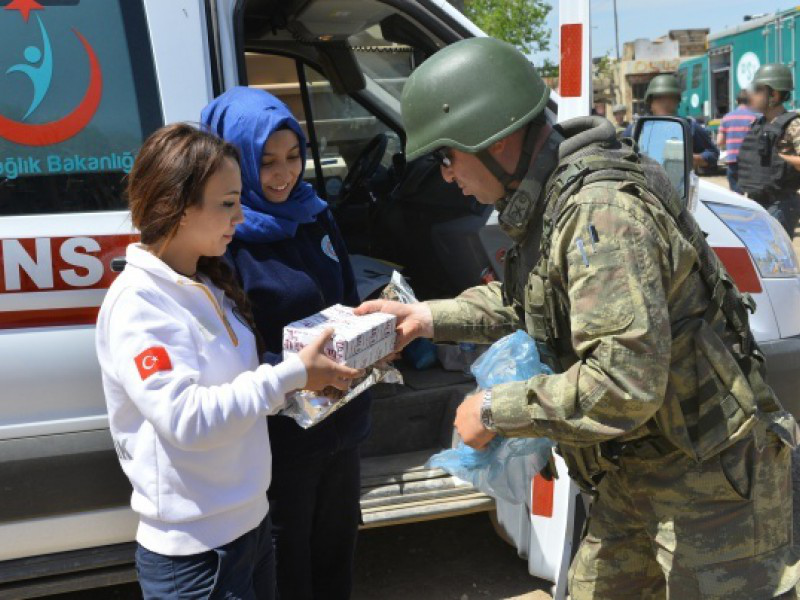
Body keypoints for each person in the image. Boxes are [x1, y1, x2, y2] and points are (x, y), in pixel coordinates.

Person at [357, 37, 800, 599]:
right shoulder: (553, 200)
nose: (446, 175)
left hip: (708, 482)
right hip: (634, 473)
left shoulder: (602, 216)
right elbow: (528, 302)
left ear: (493, 138)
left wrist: (495, 410)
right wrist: (423, 317)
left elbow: (622, 384)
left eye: (446, 155)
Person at [95, 123, 362, 599]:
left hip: (248, 529)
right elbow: (187, 420)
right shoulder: (140, 304)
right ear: (173, 207)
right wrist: (294, 372)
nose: (240, 217)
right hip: (197, 557)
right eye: (226, 203)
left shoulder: (208, 282)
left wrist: (314, 377)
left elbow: (244, 391)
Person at [201, 88, 370, 600]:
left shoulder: (314, 212)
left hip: (341, 422)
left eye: (293, 157)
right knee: (287, 567)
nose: (283, 175)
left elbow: (345, 295)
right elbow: (225, 353)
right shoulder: (224, 238)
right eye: (266, 162)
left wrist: (371, 339)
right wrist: (299, 369)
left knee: (336, 555)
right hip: (278, 441)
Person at [737, 63, 800, 235]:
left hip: (781, 203)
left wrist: (781, 158)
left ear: (774, 94)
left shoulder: (794, 125)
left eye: (758, 89)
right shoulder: (758, 124)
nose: (752, 95)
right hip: (756, 200)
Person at [623, 73, 720, 170]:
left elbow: (712, 154)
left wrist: (691, 158)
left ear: (678, 102)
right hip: (643, 183)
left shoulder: (688, 126)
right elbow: (619, 154)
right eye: (659, 98)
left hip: (678, 183)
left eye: (671, 98)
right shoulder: (637, 128)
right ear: (650, 102)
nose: (665, 103)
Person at [717, 90, 758, 193]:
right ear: (750, 101)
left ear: (736, 101)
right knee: (752, 195)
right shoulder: (755, 118)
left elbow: (719, 142)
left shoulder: (726, 118)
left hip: (733, 161)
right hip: (750, 161)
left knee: (736, 196)